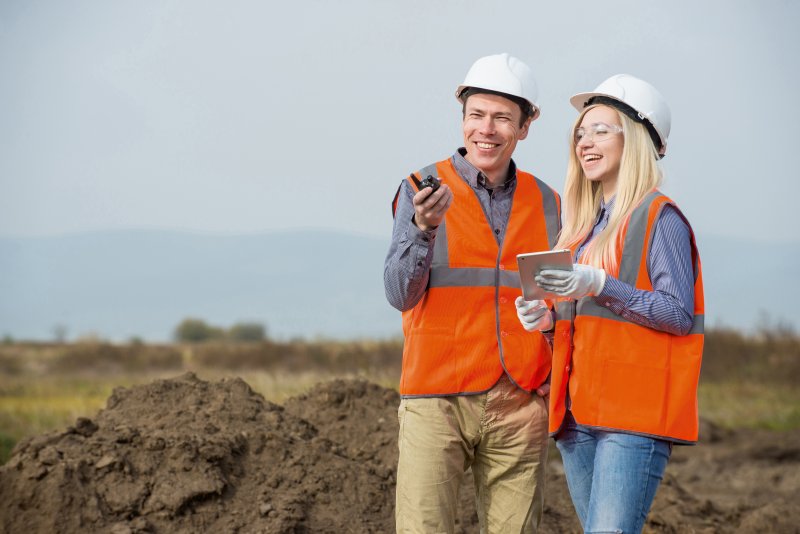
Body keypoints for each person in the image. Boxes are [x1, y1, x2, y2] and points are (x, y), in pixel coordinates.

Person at [515, 74, 704, 533]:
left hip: (631, 418)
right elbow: (585, 322)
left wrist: (601, 283)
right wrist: (544, 321)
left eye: (601, 129)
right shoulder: (580, 228)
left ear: (636, 138)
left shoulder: (661, 218)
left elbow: (678, 315)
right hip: (578, 417)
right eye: (581, 132)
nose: (585, 141)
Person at [384, 53, 561, 533]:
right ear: (462, 118)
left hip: (518, 401)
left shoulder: (549, 203)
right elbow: (399, 293)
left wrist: (551, 368)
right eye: (477, 115)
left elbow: (556, 303)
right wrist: (423, 228)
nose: (487, 129)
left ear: (526, 125)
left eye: (503, 117)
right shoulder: (421, 187)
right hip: (436, 397)